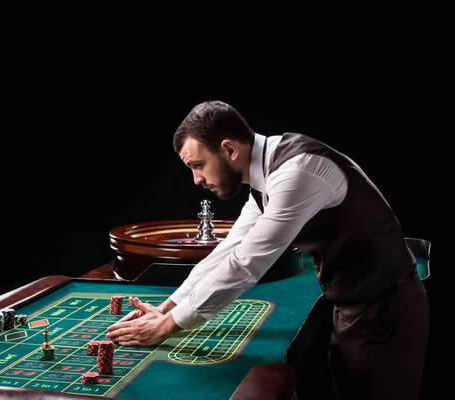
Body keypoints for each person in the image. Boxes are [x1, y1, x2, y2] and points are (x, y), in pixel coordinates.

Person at [106, 100, 429, 399]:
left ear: (229, 149)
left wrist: (166, 326)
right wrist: (166, 307)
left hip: (387, 312)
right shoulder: (266, 179)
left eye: (198, 165)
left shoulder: (297, 172)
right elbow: (229, 252)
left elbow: (246, 266)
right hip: (353, 306)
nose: (196, 179)